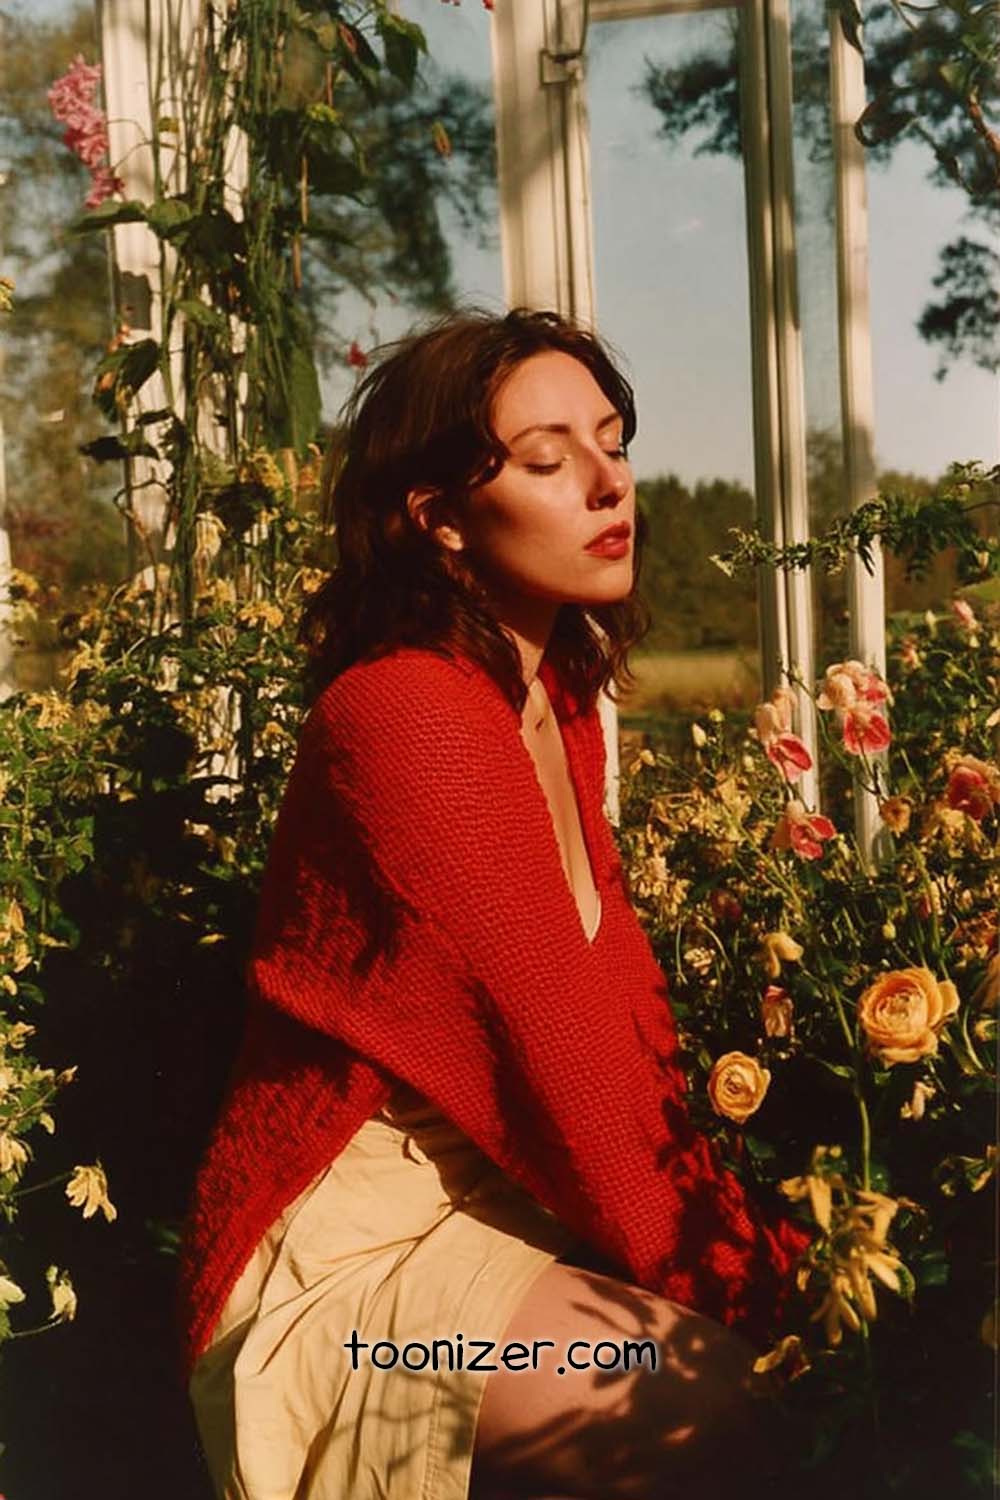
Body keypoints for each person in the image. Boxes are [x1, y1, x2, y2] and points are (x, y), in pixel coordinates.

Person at [181, 308, 810, 1500]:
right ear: (439, 519)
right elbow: (577, 1079)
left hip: (506, 1211)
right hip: (351, 1281)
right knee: (709, 1389)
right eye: (544, 459)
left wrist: (761, 1236)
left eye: (612, 442)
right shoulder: (407, 718)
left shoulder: (553, 698)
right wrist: (778, 1302)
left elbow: (625, 1014)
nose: (607, 483)